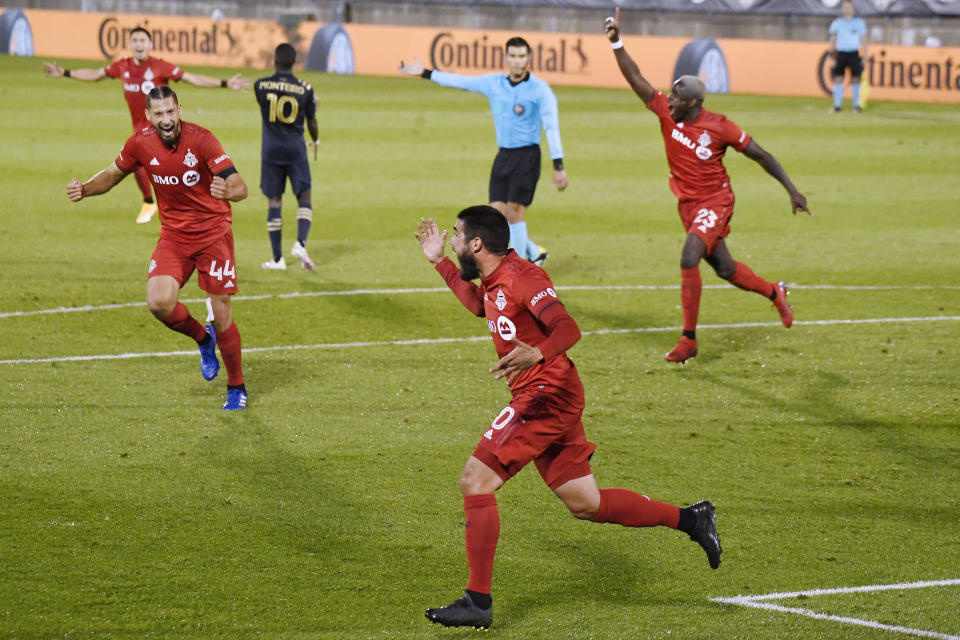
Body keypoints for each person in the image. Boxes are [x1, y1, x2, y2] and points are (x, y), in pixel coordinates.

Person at [414, 206, 722, 629]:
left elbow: (567, 328)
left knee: (475, 479)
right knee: (586, 504)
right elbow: (480, 307)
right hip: (545, 393)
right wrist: (439, 262)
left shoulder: (525, 278)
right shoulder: (493, 277)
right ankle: (692, 519)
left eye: (455, 236)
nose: (450, 240)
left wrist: (538, 351)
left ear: (477, 244)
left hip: (548, 395)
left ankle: (477, 600)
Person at [604, 8, 810, 363]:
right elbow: (635, 76)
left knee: (689, 256)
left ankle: (689, 340)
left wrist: (791, 190)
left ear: (694, 103)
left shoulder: (721, 127)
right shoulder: (667, 112)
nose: (667, 99)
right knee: (725, 269)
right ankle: (775, 292)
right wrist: (616, 42)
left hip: (715, 201)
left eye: (676, 96)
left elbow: (761, 155)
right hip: (687, 203)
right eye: (669, 94)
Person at [65, 86, 249, 410]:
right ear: (149, 116)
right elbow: (112, 174)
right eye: (159, 114)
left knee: (221, 314)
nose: (166, 119)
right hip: (175, 237)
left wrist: (227, 191)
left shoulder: (203, 139)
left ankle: (236, 386)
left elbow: (240, 185)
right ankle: (203, 339)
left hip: (213, 235)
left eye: (170, 111)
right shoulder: (140, 142)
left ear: (179, 109)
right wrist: (85, 189)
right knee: (159, 302)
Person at [44, 26, 249, 224]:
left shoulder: (160, 66)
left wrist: (224, 83)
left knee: (155, 168)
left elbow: (192, 78)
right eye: (135, 40)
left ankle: (159, 204)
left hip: (165, 133)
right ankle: (150, 202)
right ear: (130, 44)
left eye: (143, 40)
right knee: (130, 167)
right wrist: (65, 73)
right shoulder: (122, 66)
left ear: (150, 44)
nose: (139, 44)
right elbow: (95, 75)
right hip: (141, 134)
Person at [400, 37, 568, 266]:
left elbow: (552, 126)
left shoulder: (541, 90)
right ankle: (533, 251)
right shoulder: (494, 83)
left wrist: (558, 165)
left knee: (515, 213)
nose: (518, 61)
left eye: (522, 56)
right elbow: (461, 81)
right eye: (514, 56)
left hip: (527, 156)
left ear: (529, 58)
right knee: (496, 217)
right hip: (504, 156)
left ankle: (518, 269)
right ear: (506, 57)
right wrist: (426, 73)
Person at [254, 43, 320, 271]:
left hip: (271, 150)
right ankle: (300, 243)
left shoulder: (260, 85)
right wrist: (316, 139)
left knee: (274, 201)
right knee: (304, 196)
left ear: (274, 60)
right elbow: (311, 120)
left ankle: (277, 259)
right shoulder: (305, 89)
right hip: (295, 149)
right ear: (294, 62)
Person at [828, 0, 868, 113]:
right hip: (840, 53)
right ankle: (837, 106)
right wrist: (831, 56)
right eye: (845, 7)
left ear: (853, 9)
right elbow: (832, 40)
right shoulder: (837, 22)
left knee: (856, 79)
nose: (847, 9)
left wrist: (865, 55)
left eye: (849, 7)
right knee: (838, 79)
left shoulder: (859, 22)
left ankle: (856, 106)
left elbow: (863, 39)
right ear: (842, 9)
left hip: (854, 53)